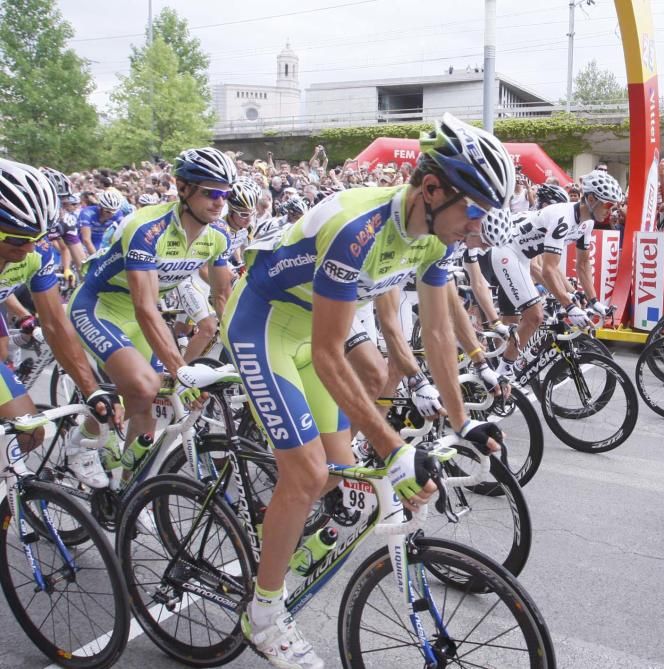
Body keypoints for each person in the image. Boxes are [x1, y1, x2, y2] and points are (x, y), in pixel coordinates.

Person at [224, 113, 512, 669]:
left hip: (313, 333)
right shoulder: (358, 227)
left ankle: (280, 550)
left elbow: (437, 332)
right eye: (473, 210)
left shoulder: (432, 237)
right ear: (431, 188)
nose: (477, 227)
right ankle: (263, 613)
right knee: (306, 474)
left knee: (341, 482)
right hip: (264, 325)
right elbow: (332, 353)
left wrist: (462, 421)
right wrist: (396, 449)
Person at [67, 147, 236, 482]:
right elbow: (146, 306)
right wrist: (181, 369)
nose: (220, 202)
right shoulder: (146, 227)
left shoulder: (218, 237)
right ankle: (81, 442)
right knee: (144, 388)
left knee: (150, 400)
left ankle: (131, 492)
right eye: (211, 192)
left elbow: (222, 297)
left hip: (138, 313)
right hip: (99, 306)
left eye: (225, 194)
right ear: (183, 188)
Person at [0, 159, 119, 482]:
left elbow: (55, 324)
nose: (28, 248)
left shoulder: (36, 253)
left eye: (35, 236)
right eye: (16, 239)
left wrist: (90, 390)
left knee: (29, 433)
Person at [487, 170, 622, 379]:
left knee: (536, 315)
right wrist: (569, 306)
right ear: (592, 199)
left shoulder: (588, 222)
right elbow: (548, 269)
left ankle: (507, 364)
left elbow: (583, 264)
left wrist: (594, 301)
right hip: (507, 251)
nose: (612, 212)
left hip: (524, 257)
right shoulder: (563, 217)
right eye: (609, 205)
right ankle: (502, 374)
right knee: (535, 315)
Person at [77, 189, 125, 255]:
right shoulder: (87, 213)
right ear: (100, 207)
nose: (111, 215)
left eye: (114, 212)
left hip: (98, 241)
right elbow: (86, 240)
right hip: (81, 242)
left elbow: (124, 231)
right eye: (108, 212)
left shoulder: (117, 214)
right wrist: (95, 258)